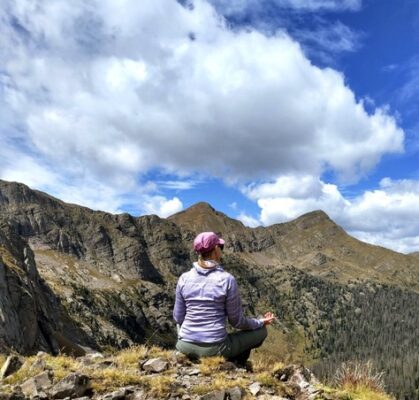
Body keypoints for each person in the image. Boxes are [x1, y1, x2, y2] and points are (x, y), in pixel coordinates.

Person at [173, 231, 275, 366]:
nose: (221, 251)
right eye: (220, 247)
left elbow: (178, 318)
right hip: (215, 348)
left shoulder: (184, 278)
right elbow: (237, 322)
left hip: (184, 345)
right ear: (215, 249)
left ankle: (189, 355)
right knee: (261, 332)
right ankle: (236, 362)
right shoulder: (226, 279)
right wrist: (261, 322)